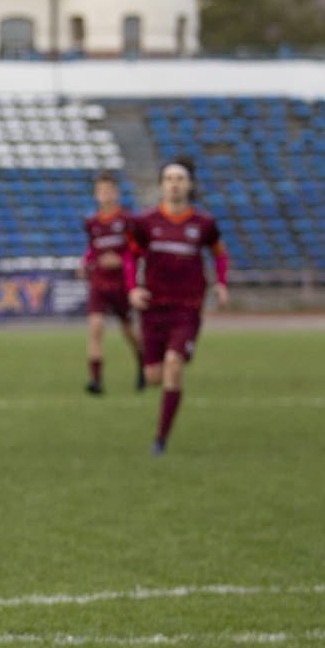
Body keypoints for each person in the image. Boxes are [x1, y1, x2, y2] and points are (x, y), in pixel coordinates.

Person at [125, 159, 229, 455]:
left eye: (180, 178)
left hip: (187, 307)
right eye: (169, 178)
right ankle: (172, 355)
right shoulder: (145, 223)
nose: (174, 183)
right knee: (153, 377)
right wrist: (133, 289)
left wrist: (221, 283)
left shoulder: (204, 224)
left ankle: (160, 439)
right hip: (153, 308)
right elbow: (130, 256)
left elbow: (220, 254)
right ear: (161, 185)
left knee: (173, 366)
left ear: (189, 184)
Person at [82, 171, 145, 394]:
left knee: (128, 331)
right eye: (101, 192)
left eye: (109, 191)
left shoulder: (127, 221)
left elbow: (135, 250)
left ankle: (142, 363)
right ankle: (96, 380)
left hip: (121, 284)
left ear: (116, 193)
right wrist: (85, 263)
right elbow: (92, 249)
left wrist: (120, 260)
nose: (105, 195)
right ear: (96, 195)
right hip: (99, 283)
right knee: (96, 328)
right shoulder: (91, 222)